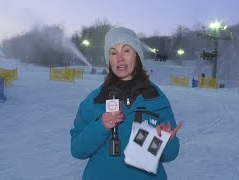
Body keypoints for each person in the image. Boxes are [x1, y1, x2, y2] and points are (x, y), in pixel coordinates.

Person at [70, 26, 182, 180]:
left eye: (126, 50)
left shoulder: (156, 98)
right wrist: (100, 126)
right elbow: (77, 150)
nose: (119, 58)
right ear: (108, 59)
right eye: (113, 52)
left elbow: (170, 155)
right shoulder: (94, 100)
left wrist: (166, 141)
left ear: (137, 55)